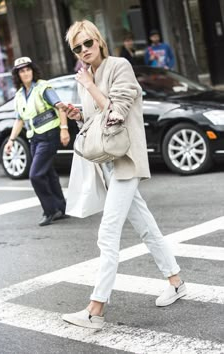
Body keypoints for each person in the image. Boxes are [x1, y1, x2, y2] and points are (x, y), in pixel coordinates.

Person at [62, 20, 186, 329]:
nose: (84, 51)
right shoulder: (85, 78)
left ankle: (95, 310)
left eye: (87, 43)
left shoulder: (120, 66)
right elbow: (96, 123)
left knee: (108, 232)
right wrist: (78, 115)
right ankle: (176, 281)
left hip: (126, 160)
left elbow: (118, 110)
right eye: (77, 48)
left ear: (99, 41)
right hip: (106, 161)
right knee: (146, 225)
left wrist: (90, 85)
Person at [4, 57, 70, 226]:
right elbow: (20, 120)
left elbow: (60, 107)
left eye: (28, 69)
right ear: (18, 75)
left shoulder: (43, 87)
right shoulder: (19, 95)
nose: (25, 73)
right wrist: (11, 140)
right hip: (35, 138)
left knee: (35, 175)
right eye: (21, 71)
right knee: (48, 173)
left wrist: (64, 129)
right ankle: (61, 209)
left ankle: (50, 210)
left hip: (49, 136)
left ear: (32, 70)